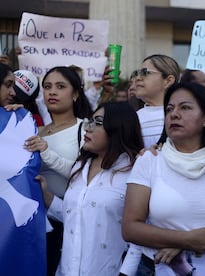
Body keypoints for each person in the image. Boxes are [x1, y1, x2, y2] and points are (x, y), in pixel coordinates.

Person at [122, 82, 205, 275]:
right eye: (169, 109)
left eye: (185, 107)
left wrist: (185, 245)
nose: (174, 114)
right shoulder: (150, 160)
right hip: (158, 268)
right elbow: (130, 228)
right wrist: (185, 240)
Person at [37, 101, 144, 275]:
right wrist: (46, 196)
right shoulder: (80, 167)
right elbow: (74, 215)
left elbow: (140, 235)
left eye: (98, 123)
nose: (88, 128)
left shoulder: (135, 170)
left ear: (118, 128)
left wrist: (126, 273)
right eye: (90, 121)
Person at [23, 66, 92, 275]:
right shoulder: (33, 129)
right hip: (31, 221)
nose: (52, 92)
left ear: (76, 94)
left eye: (60, 87)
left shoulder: (85, 128)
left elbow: (84, 175)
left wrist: (46, 152)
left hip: (63, 221)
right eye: (47, 87)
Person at [133, 54, 180, 147]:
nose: (138, 78)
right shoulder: (133, 117)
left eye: (145, 73)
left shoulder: (180, 116)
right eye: (136, 73)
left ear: (168, 81)